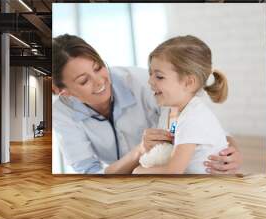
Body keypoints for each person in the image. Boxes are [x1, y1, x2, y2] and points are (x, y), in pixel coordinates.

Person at [52, 34, 242, 174]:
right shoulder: (61, 113)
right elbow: (89, 173)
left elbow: (202, 128)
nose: (100, 82)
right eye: (84, 81)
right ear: (64, 92)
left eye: (99, 67)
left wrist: (231, 151)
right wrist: (139, 153)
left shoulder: (147, 83)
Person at [132, 35, 229, 174]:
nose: (150, 81)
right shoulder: (168, 110)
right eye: (150, 74)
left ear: (189, 82)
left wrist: (138, 171)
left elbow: (173, 171)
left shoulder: (192, 117)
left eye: (159, 76)